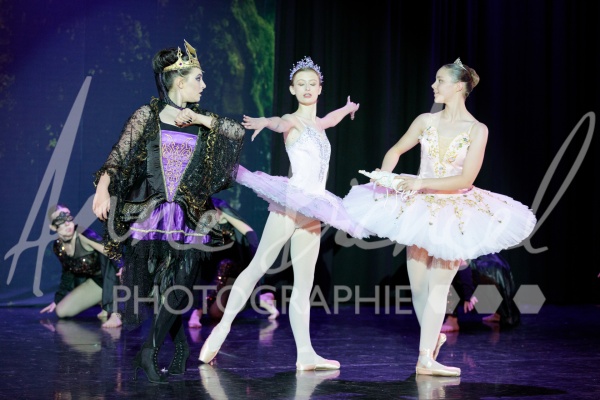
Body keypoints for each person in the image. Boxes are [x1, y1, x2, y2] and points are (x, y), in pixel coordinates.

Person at [343, 58, 536, 377]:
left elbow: (465, 178)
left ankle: (425, 359)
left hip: (454, 211)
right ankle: (432, 342)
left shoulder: (477, 130)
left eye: (440, 80)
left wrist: (420, 183)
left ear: (459, 86)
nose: (434, 85)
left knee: (437, 288)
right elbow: (395, 151)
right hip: (419, 209)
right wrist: (385, 177)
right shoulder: (425, 120)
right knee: (419, 288)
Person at [198, 56, 369, 371]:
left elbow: (330, 120)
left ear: (320, 88)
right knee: (258, 267)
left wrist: (347, 109)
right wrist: (266, 122)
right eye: (300, 84)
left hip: (314, 208)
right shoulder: (292, 120)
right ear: (292, 89)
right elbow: (279, 122)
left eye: (312, 84)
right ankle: (221, 330)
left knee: (304, 283)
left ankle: (305, 353)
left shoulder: (318, 125)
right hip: (292, 202)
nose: (307, 88)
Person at [92, 40, 244, 383]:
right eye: (198, 79)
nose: (204, 85)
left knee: (181, 284)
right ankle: (181, 347)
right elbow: (117, 158)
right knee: (156, 289)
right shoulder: (147, 115)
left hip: (190, 215)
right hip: (154, 214)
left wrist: (200, 119)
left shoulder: (201, 120)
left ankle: (149, 351)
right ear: (179, 81)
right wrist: (102, 189)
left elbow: (235, 132)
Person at [188, 196, 280, 328]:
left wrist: (256, 262)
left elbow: (250, 233)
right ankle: (262, 300)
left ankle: (197, 313)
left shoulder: (226, 218)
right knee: (216, 314)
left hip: (235, 268)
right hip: (219, 277)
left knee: (225, 264)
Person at [41, 204, 122, 329]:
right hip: (98, 283)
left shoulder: (83, 234)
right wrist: (58, 299)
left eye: (68, 218)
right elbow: (67, 272)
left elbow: (111, 252)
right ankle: (104, 302)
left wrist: (122, 265)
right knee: (61, 311)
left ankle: (117, 313)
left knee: (116, 267)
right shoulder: (58, 246)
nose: (67, 224)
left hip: (116, 278)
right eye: (60, 220)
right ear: (52, 227)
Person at [441, 252, 521, 332]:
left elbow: (463, 264)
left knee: (448, 273)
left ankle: (452, 319)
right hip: (484, 264)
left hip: (485, 269)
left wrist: (468, 296)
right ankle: (499, 313)